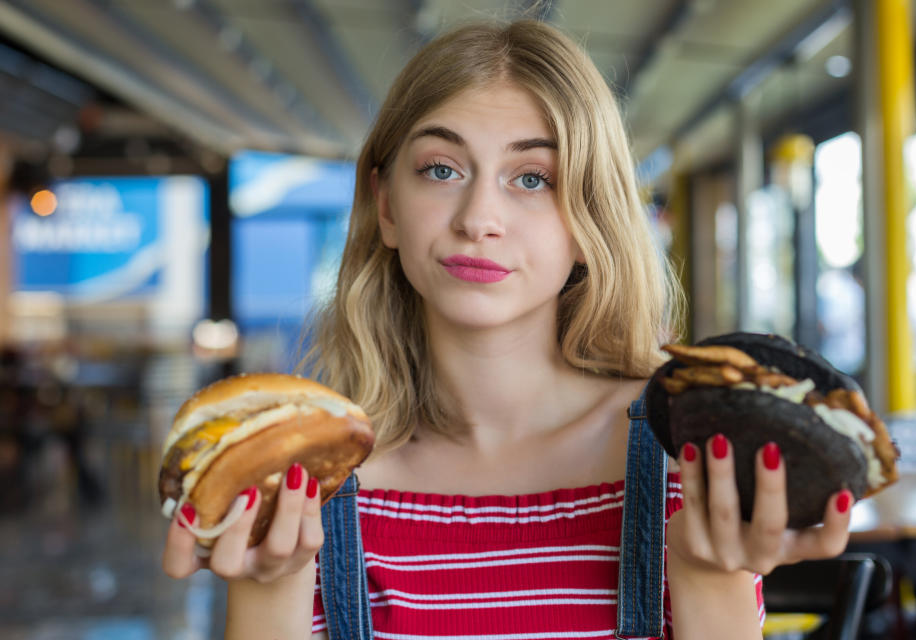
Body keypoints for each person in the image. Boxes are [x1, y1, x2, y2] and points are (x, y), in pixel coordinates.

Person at [162, 19, 854, 639]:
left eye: (532, 178)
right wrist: (266, 587)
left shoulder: (687, 457)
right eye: (441, 169)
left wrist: (711, 576)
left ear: (589, 218)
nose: (478, 217)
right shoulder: (310, 488)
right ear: (387, 207)